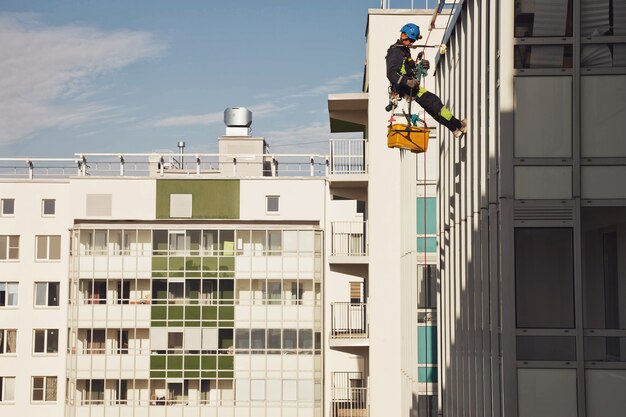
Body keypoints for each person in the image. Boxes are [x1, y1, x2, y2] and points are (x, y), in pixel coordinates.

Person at [386, 23, 467, 138]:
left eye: (413, 41)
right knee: (435, 104)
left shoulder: (403, 51)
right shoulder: (396, 51)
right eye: (410, 40)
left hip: (411, 88)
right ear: (403, 36)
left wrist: (418, 64)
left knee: (432, 109)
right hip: (409, 88)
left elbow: (407, 68)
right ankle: (460, 125)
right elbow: (391, 74)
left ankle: (454, 129)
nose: (412, 43)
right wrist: (407, 82)